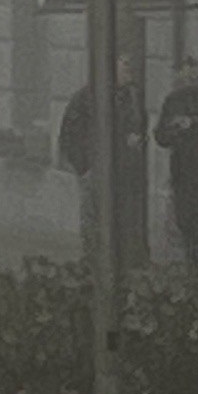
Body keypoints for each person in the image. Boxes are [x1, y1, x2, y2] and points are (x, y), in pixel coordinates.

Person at [62, 52, 146, 266]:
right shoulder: (86, 97)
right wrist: (84, 168)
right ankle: (94, 263)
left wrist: (138, 140)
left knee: (123, 219)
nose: (129, 70)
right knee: (94, 219)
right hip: (95, 170)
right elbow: (69, 135)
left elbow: (140, 127)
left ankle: (121, 263)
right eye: (124, 66)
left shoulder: (133, 98)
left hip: (125, 171)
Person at [155, 58, 198, 265]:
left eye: (195, 73)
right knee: (186, 221)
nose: (191, 78)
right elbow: (161, 136)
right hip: (184, 171)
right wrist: (175, 128)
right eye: (187, 74)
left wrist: (193, 122)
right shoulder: (173, 100)